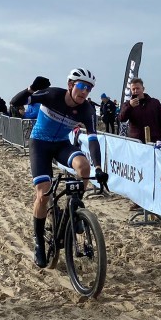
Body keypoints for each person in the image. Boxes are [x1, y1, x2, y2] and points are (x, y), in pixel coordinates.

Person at [25, 69, 106, 268]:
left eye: (88, 88)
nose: (85, 91)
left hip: (61, 144)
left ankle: (77, 206)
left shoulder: (87, 110)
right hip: (40, 145)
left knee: (83, 167)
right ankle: (39, 244)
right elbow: (16, 101)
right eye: (81, 86)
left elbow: (94, 140)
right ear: (71, 85)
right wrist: (32, 89)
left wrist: (98, 167)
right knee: (43, 194)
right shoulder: (53, 95)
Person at [118, 78, 161, 144]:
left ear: (143, 89)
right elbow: (122, 119)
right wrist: (130, 106)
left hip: (154, 141)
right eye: (133, 89)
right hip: (136, 142)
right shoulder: (127, 104)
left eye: (138, 88)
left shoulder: (154, 103)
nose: (135, 91)